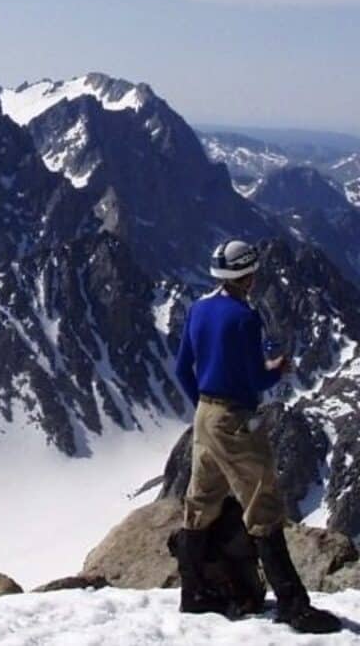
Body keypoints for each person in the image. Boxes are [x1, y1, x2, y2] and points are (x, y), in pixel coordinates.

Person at [172, 239, 341, 634]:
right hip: (235, 418)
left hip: (204, 417)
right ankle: (293, 606)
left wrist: (204, 405)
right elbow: (256, 379)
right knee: (262, 506)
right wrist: (277, 367)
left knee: (201, 500)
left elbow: (183, 368)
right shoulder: (245, 318)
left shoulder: (198, 309)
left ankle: (193, 594)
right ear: (246, 274)